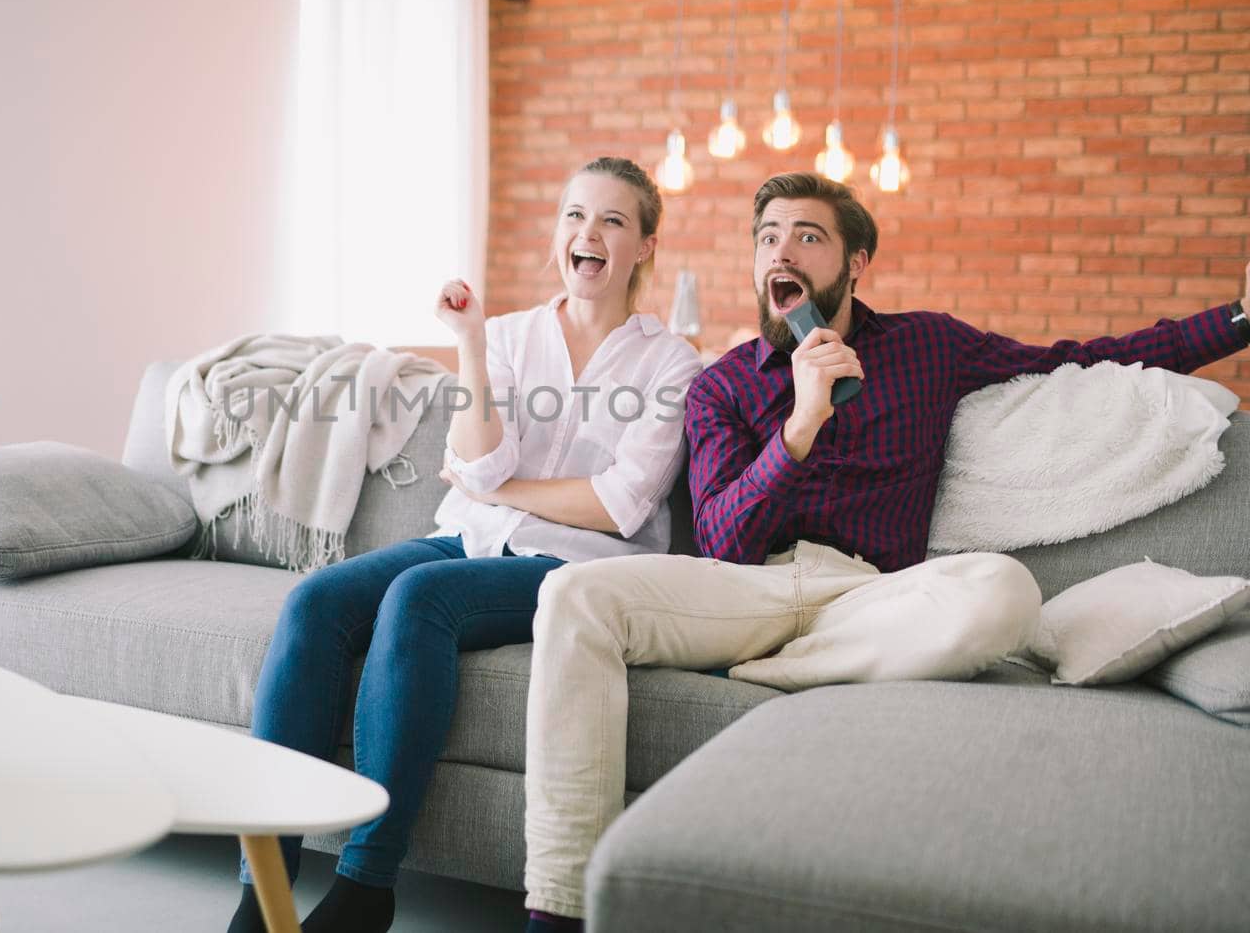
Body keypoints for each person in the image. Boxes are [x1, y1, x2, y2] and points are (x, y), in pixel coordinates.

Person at [521, 171, 1250, 931]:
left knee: (1004, 590)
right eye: (768, 236)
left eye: (808, 236)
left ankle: (773, 668)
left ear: (855, 262)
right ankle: (559, 913)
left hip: (871, 597)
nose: (783, 251)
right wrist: (798, 426)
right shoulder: (722, 387)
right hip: (749, 591)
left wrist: (1238, 319)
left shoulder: (928, 344)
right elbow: (724, 541)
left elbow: (1087, 359)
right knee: (574, 594)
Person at [226, 156, 703, 933]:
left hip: (574, 569)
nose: (589, 233)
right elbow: (477, 464)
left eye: (614, 220)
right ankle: (261, 894)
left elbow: (619, 505)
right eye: (575, 215)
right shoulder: (509, 337)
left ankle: (365, 884)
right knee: (316, 601)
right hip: (467, 538)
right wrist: (472, 344)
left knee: (421, 599)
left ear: (645, 246)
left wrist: (499, 489)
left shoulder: (670, 362)